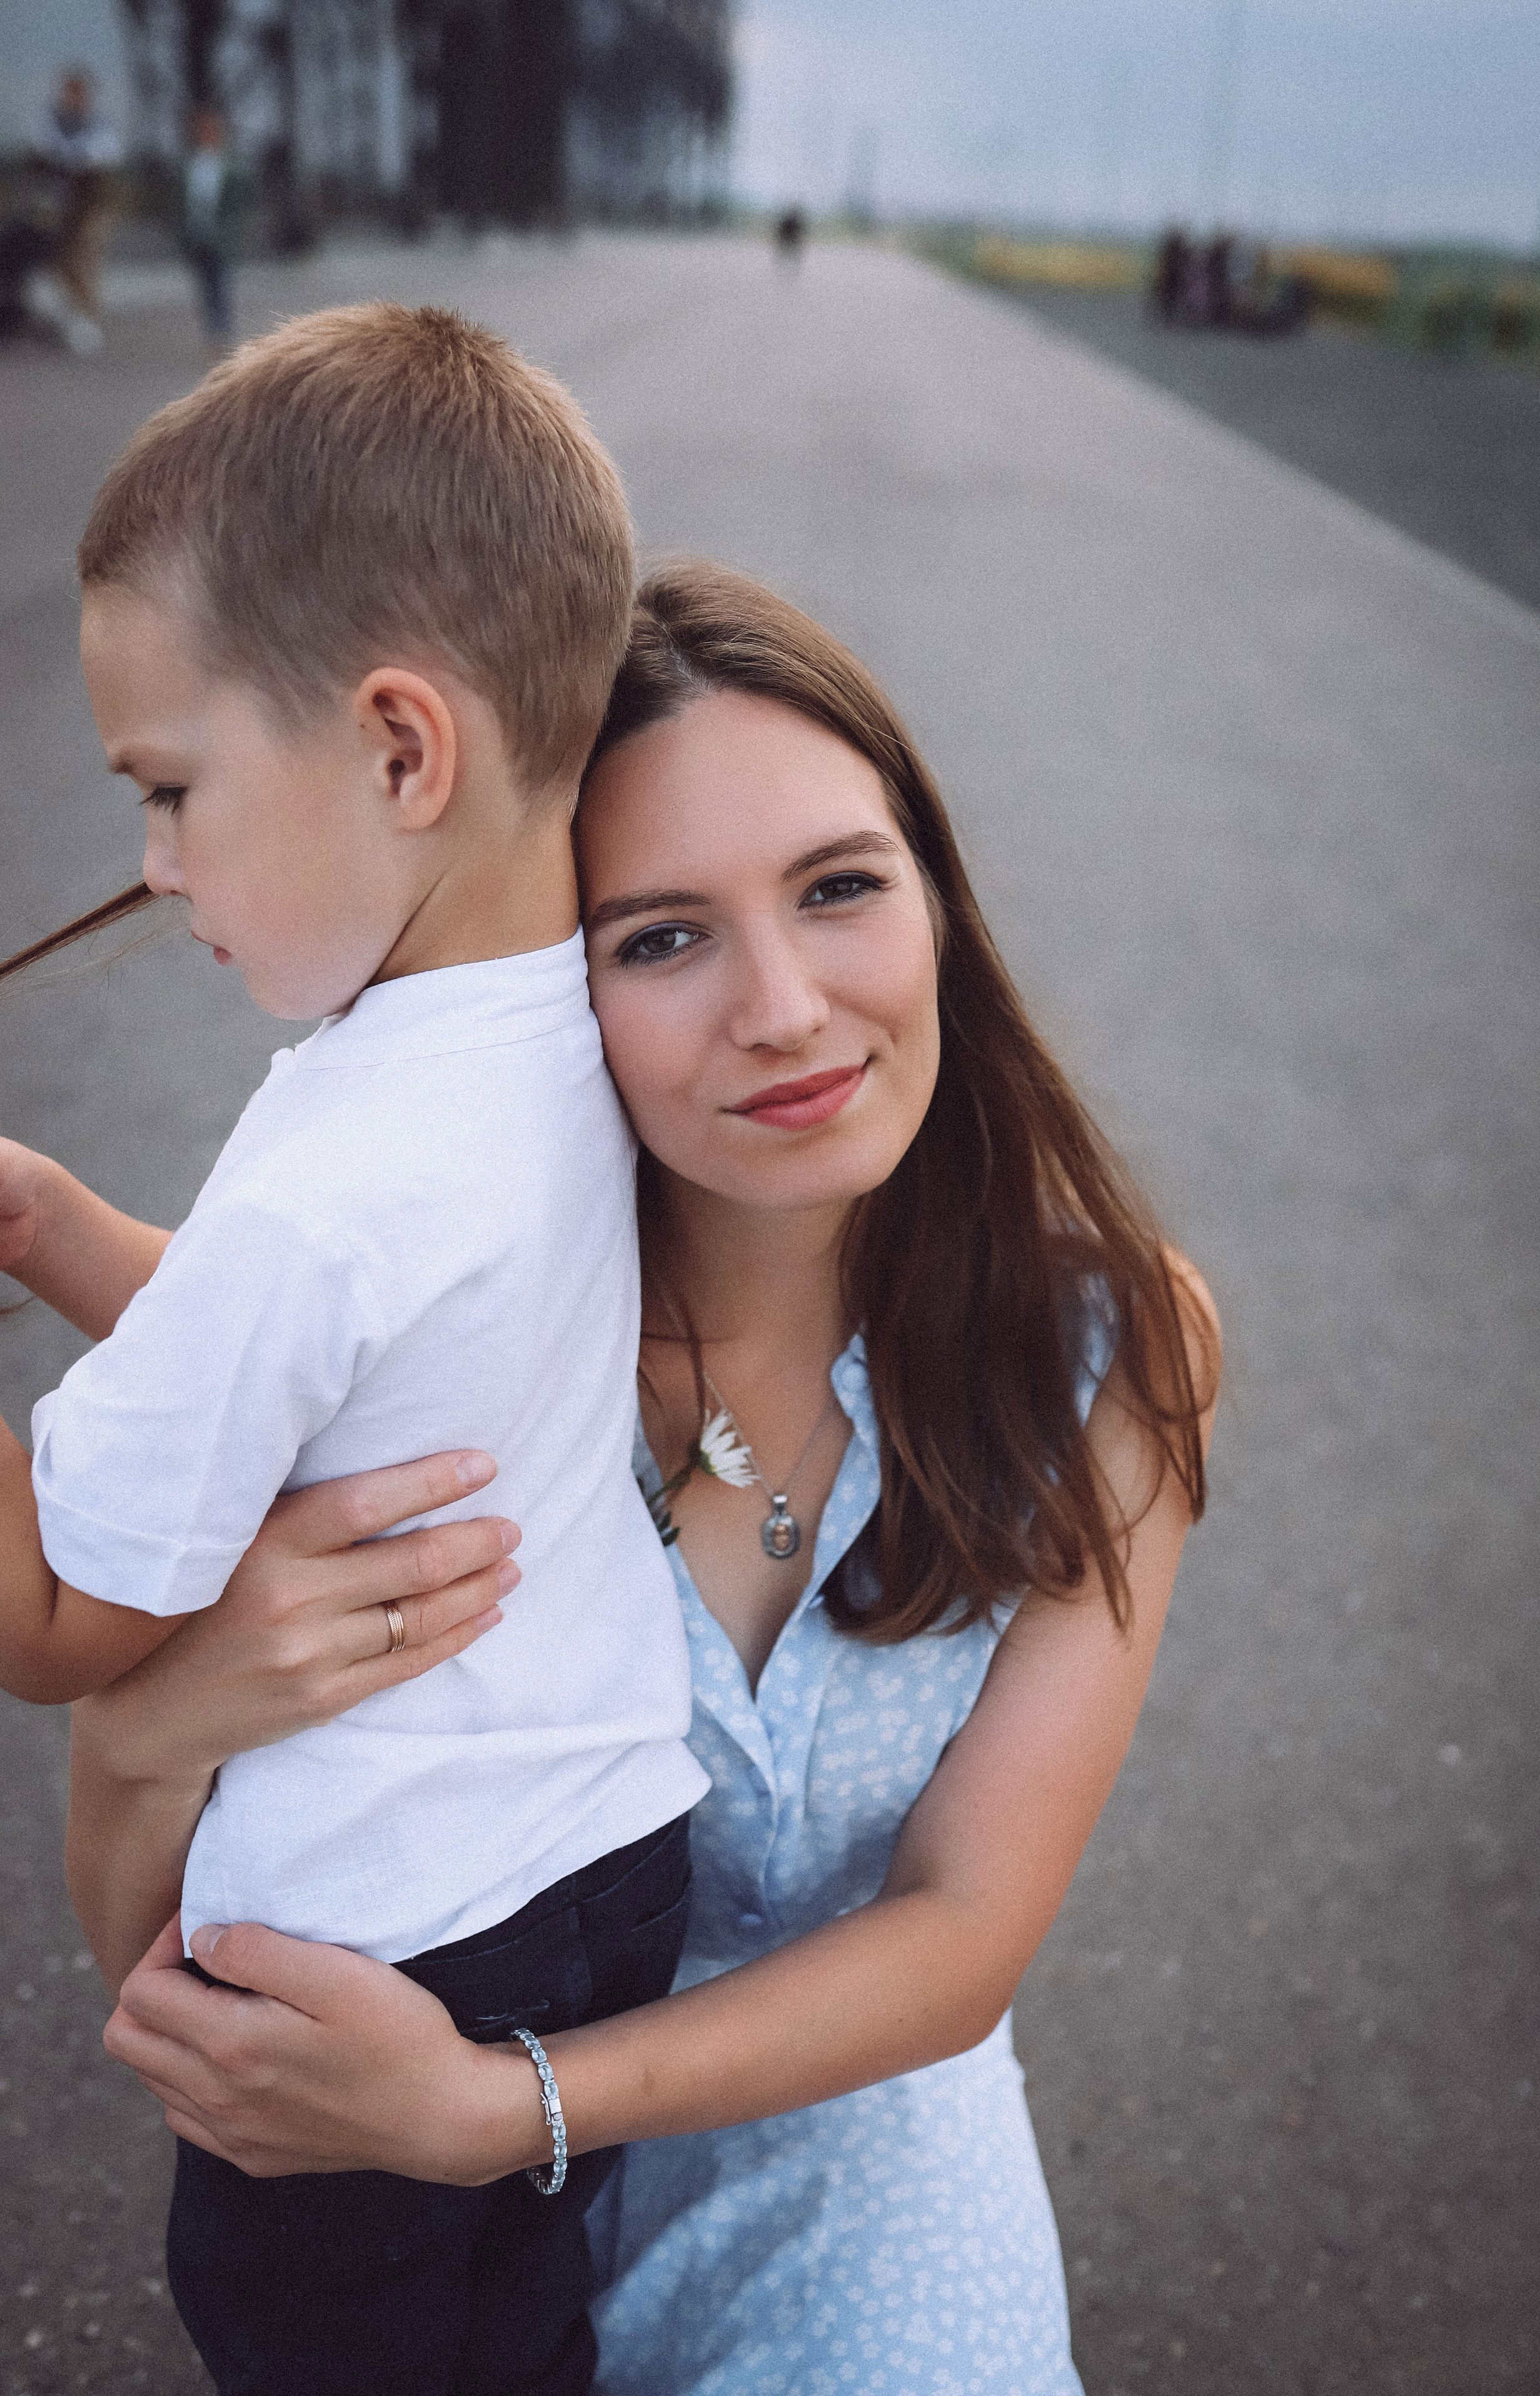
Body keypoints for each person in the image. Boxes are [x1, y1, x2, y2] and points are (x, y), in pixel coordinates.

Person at [8, 563, 1220, 2390]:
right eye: (659, 936)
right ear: (544, 997)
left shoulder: (1105, 1349)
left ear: (936, 898)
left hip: (836, 2161)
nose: (789, 1007)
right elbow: (174, 1982)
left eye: (838, 887)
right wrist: (161, 1718)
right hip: (420, 2210)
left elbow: (962, 1932)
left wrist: (500, 2105)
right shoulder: (422, 1341)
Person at [0, 308, 710, 2395]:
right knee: (516, 2341)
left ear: (402, 751)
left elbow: (60, 1611)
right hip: (600, 1879)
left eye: (171, 791)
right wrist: (53, 1236)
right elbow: (334, 1374)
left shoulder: (326, 1171)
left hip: (366, 1970)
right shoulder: (584, 1022)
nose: (153, 871)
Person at [26, 66, 122, 354]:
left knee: (83, 259)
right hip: (57, 209)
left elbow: (101, 158)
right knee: (60, 263)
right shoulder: (49, 121)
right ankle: (74, 316)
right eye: (69, 92)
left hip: (92, 209)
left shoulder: (99, 126)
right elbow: (40, 151)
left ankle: (87, 320)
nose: (73, 98)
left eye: (79, 92)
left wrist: (72, 158)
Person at [178, 106, 253, 352]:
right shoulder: (189, 164)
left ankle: (222, 332)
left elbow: (242, 202)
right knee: (204, 285)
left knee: (221, 284)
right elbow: (180, 202)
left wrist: (233, 230)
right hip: (197, 234)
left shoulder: (231, 167)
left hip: (221, 236)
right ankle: (210, 332)